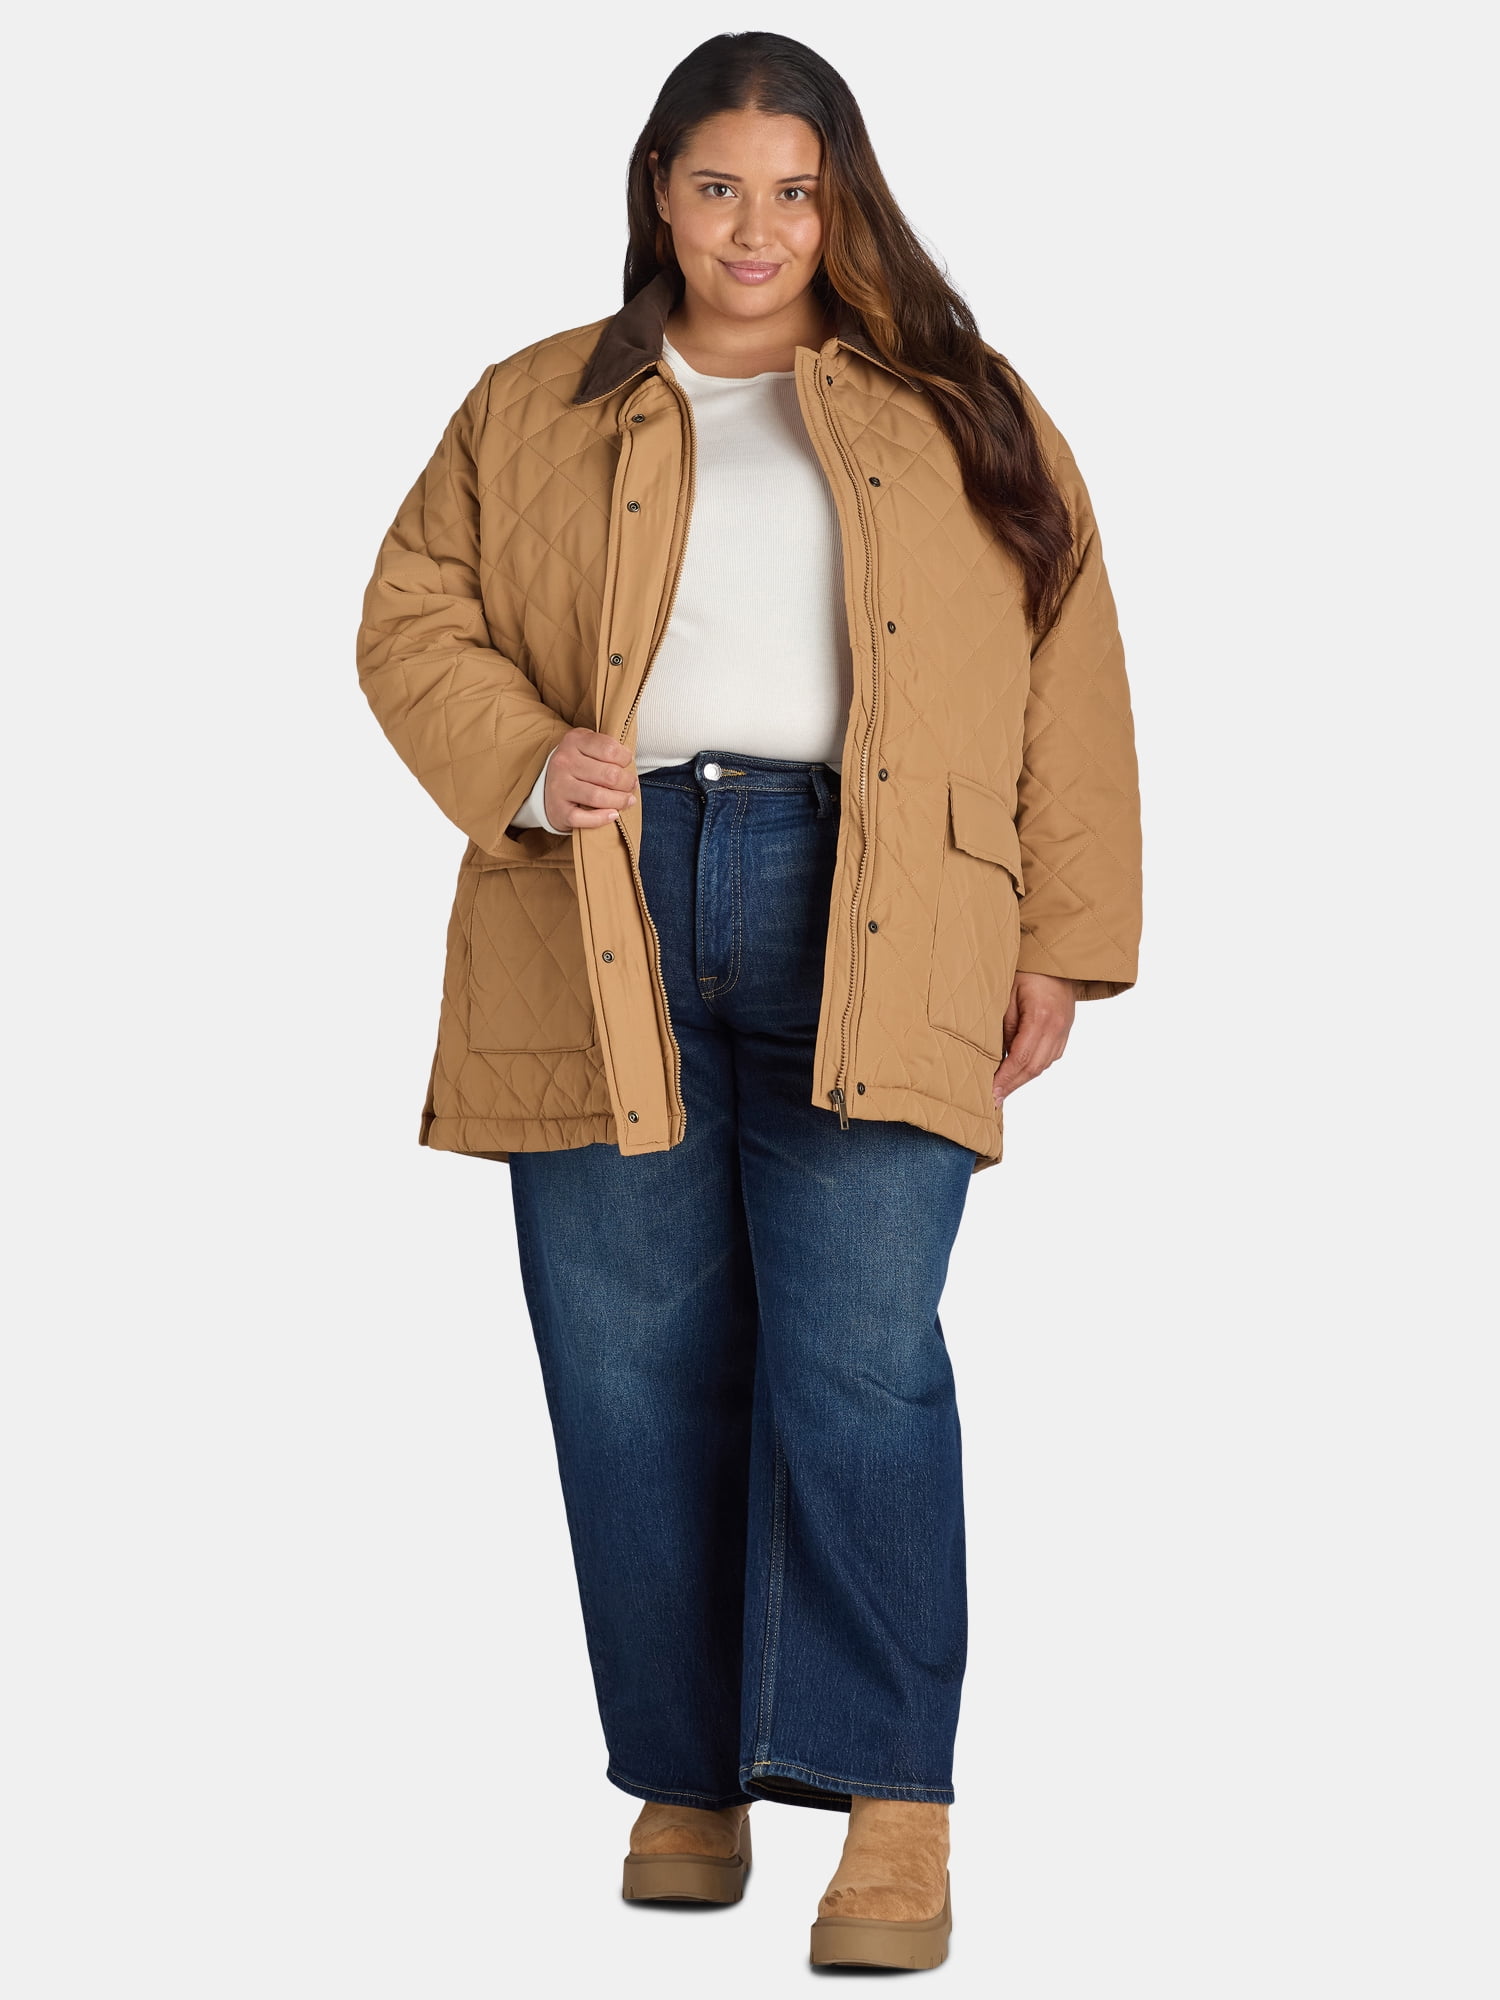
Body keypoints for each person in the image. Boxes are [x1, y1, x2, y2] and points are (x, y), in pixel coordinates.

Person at [356, 30, 1141, 1973]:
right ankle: (687, 1775)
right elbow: (411, 612)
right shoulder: (532, 403)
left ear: (841, 198)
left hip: (884, 903)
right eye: (721, 186)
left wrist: (1062, 933)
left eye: (796, 190)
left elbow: (1071, 657)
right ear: (661, 192)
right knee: (629, 1366)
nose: (758, 228)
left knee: (862, 1359)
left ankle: (894, 1802)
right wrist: (529, 759)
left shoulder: (961, 405)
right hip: (595, 906)